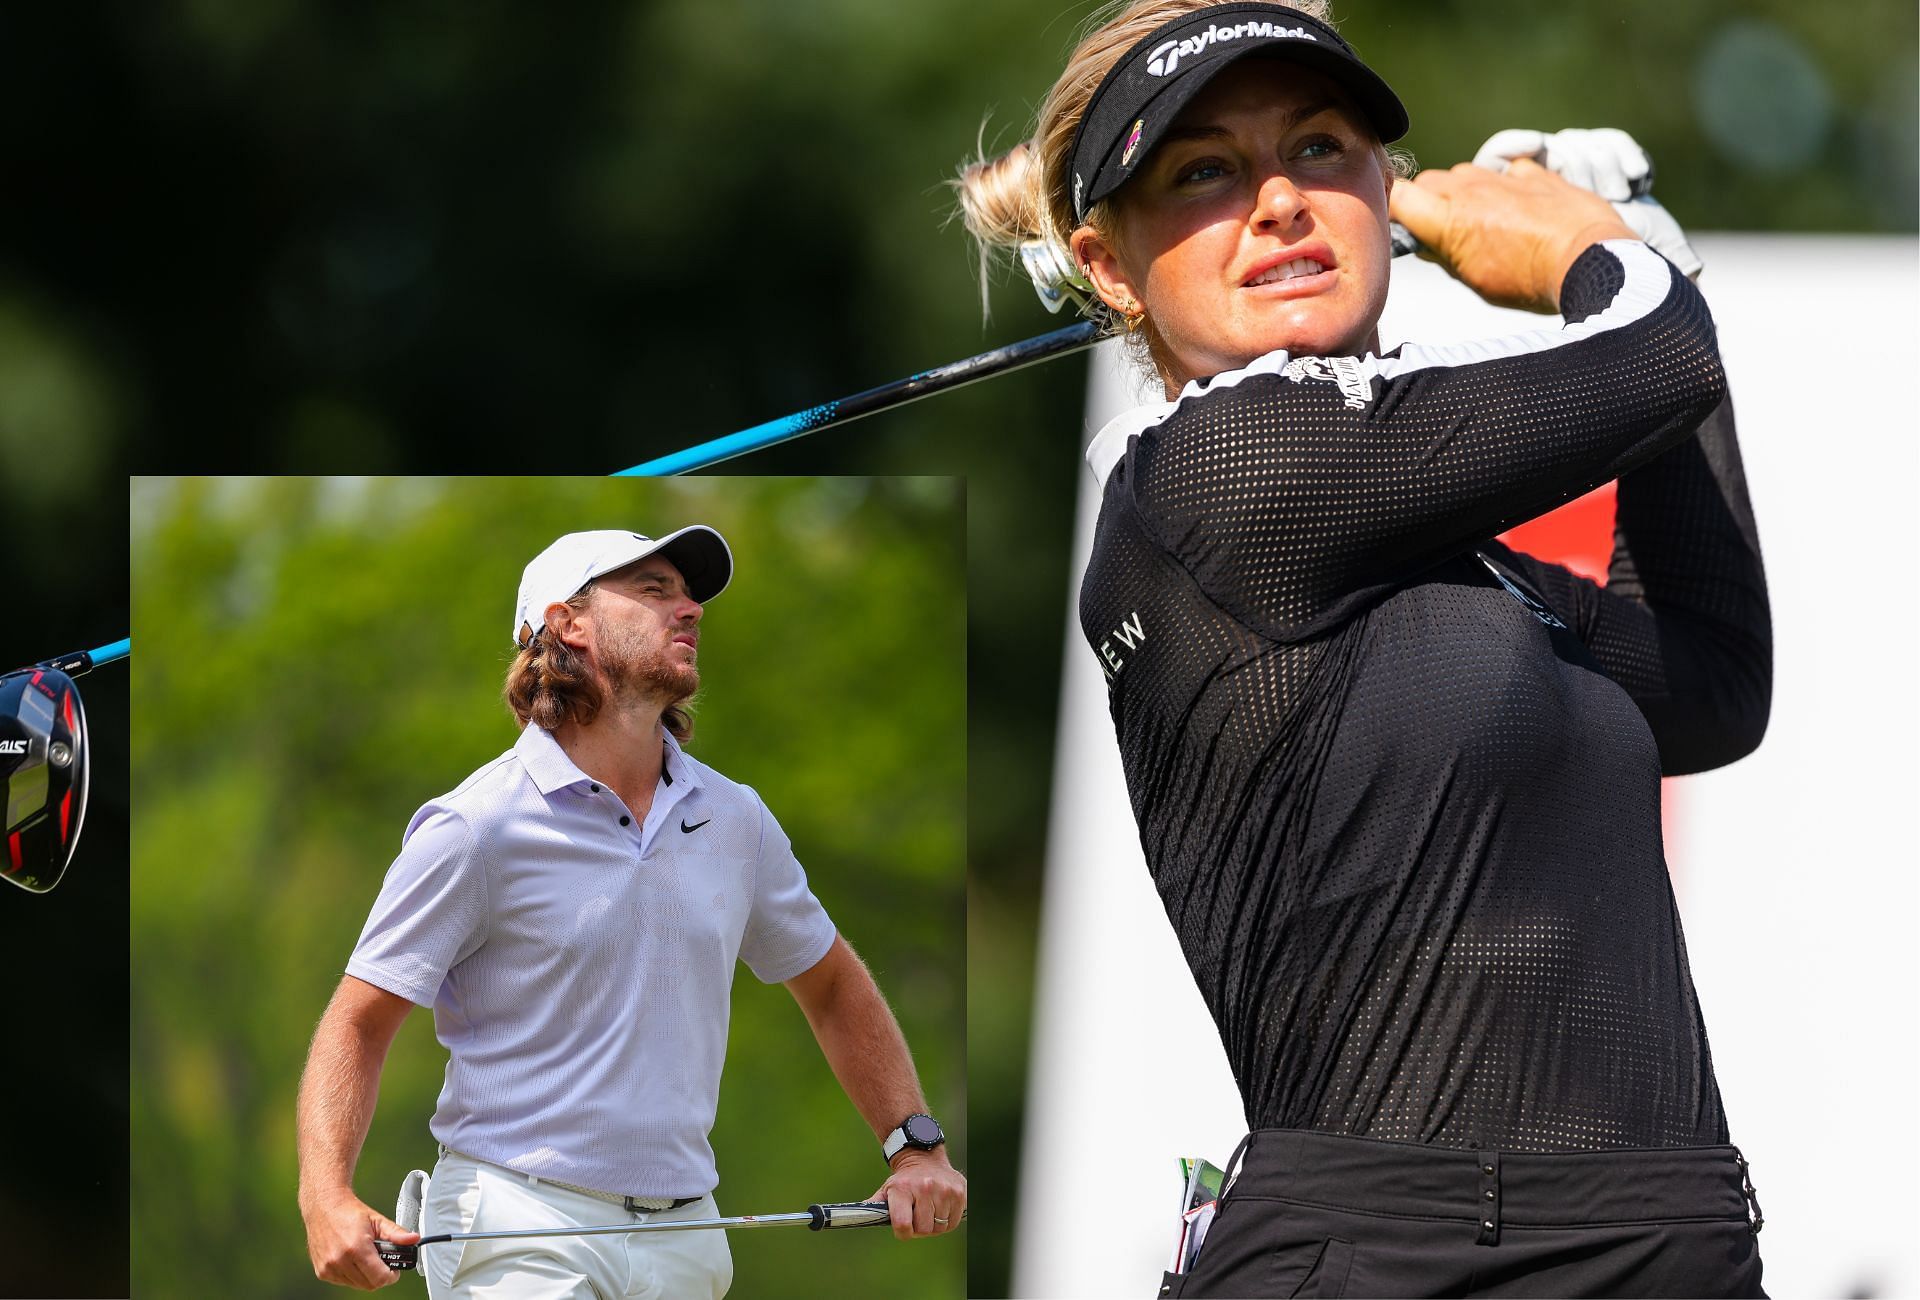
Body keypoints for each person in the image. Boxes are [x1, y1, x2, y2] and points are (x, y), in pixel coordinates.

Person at [960, 2, 1769, 1296]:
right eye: (1205, 172)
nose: (1281, 200)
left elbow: (1711, 684)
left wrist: (1641, 264)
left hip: (1672, 1239)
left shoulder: (1470, 564)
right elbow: (1654, 359)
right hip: (1396, 1255)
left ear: (1383, 192)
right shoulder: (1219, 470)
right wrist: (1607, 258)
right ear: (1108, 267)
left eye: (1323, 149)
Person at [296, 527, 966, 1297]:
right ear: (568, 623)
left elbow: (834, 987)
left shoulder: (735, 818)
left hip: (687, 1234)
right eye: (653, 591)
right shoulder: (475, 827)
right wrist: (325, 1195)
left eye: (688, 595)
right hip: (516, 1223)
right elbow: (358, 1021)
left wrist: (915, 1146)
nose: (690, 610)